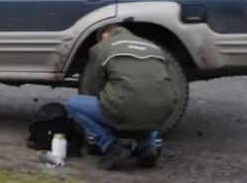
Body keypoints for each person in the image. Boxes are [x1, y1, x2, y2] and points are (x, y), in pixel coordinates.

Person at [65, 24, 178, 170]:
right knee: (144, 110)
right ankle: (147, 146)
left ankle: (112, 146)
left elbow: (93, 87)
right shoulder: (155, 47)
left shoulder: (102, 47)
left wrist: (108, 104)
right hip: (162, 110)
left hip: (124, 109)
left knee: (73, 104)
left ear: (105, 36)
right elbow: (170, 84)